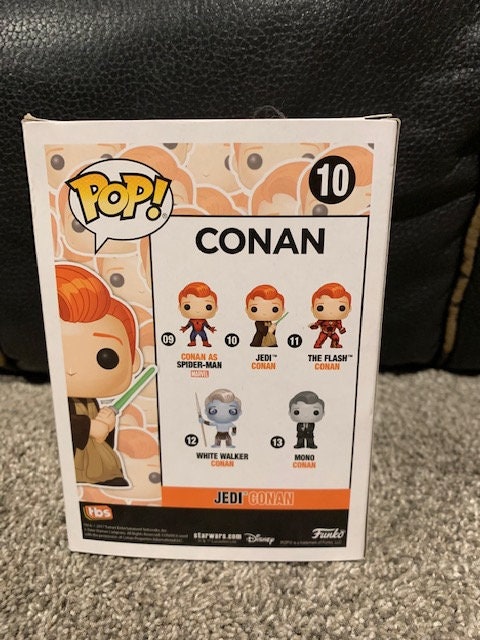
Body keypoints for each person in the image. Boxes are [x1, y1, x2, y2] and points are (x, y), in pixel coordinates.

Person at [56, 263, 141, 485]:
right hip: (77, 473)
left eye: (106, 357)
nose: (71, 370)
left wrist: (106, 426)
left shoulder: (90, 401)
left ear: (134, 362)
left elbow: (100, 436)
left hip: (100, 469)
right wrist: (92, 427)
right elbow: (65, 424)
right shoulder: (61, 399)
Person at [309, 283, 351, 348]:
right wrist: (315, 325)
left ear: (349, 309)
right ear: (313, 309)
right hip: (324, 332)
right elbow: (318, 323)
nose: (331, 312)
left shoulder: (337, 320)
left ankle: (334, 345)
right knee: (320, 340)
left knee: (336, 338)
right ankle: (317, 346)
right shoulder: (322, 320)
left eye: (341, 308)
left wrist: (341, 329)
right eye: (320, 308)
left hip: (332, 332)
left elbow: (339, 325)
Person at [179, 281, 218, 347]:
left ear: (216, 308)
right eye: (187, 306)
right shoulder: (191, 321)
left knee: (204, 336)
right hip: (194, 331)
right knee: (192, 336)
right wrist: (185, 328)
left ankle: (205, 343)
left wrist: (210, 328)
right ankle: (193, 342)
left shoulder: (203, 321)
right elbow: (188, 325)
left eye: (208, 307)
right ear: (180, 308)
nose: (197, 311)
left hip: (201, 331)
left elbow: (207, 325)